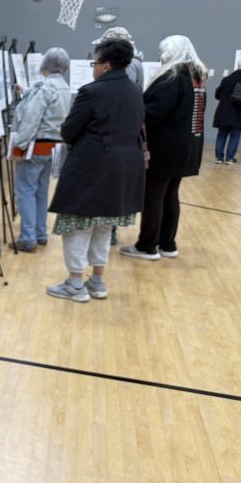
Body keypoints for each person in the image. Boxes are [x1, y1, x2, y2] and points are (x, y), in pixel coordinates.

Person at [46, 38, 145, 301]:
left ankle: (75, 285)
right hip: (124, 169)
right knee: (103, 226)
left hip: (91, 168)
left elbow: (69, 131)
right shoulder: (136, 92)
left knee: (77, 226)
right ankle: (97, 282)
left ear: (107, 65)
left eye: (95, 62)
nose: (93, 68)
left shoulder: (91, 92)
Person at [120, 35, 207, 261]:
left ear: (172, 51)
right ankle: (167, 244)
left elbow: (152, 112)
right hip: (188, 145)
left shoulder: (172, 76)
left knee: (154, 195)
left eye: (162, 51)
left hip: (166, 147)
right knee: (170, 195)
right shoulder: (196, 75)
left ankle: (147, 246)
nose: (160, 56)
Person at [9, 47, 71, 252]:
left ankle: (27, 238)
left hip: (35, 147)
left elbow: (31, 119)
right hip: (53, 149)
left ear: (45, 64)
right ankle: (40, 233)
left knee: (25, 191)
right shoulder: (64, 88)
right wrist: (26, 91)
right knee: (41, 191)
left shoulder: (45, 88)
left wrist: (19, 146)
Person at [92, 27, 143, 245]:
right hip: (125, 131)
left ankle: (108, 229)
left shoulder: (128, 67)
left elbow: (116, 97)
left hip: (113, 132)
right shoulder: (137, 63)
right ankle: (107, 227)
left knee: (109, 182)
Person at [212, 58, 241, 164]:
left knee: (222, 134)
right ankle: (229, 158)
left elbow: (217, 95)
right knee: (235, 135)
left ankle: (218, 158)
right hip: (239, 112)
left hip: (223, 112)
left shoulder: (226, 79)